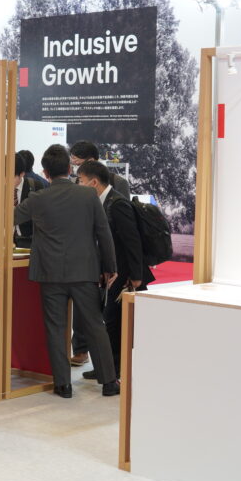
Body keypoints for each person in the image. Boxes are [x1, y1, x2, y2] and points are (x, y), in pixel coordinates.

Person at [13, 144, 120, 398]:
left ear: (45, 173)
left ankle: (63, 385)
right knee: (95, 325)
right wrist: (110, 267)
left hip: (50, 273)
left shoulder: (37, 199)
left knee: (55, 328)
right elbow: (103, 233)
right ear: (70, 168)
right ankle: (109, 382)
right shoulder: (88, 196)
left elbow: (10, 218)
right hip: (84, 271)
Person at [76, 161, 154, 378]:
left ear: (93, 182)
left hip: (126, 275)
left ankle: (114, 371)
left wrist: (136, 277)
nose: (78, 184)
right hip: (113, 272)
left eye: (81, 180)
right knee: (111, 321)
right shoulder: (103, 201)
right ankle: (108, 368)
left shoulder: (117, 203)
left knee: (115, 322)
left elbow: (133, 242)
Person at [67, 140, 131, 365]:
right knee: (82, 306)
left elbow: (121, 225)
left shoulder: (118, 184)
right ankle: (82, 350)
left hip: (108, 257)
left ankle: (108, 363)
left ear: (92, 161)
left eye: (78, 163)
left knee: (105, 311)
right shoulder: (76, 184)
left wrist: (111, 262)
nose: (75, 169)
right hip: (85, 255)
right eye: (73, 164)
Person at [13, 153, 43, 248]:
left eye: (11, 177)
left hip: (28, 241)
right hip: (5, 242)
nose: (6, 181)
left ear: (22, 174)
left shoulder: (35, 186)